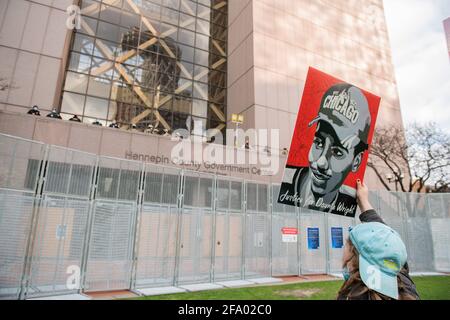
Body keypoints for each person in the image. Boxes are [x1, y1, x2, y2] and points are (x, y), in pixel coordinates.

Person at [279, 84, 371, 216]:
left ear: (356, 162)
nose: (321, 162)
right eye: (318, 143)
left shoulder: (351, 202)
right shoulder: (283, 182)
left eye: (337, 152)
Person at [336, 179, 420, 300]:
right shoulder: (403, 283)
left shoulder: (353, 295)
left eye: (347, 244)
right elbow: (384, 241)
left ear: (355, 258)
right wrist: (363, 200)